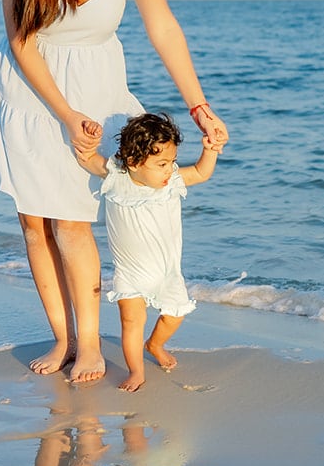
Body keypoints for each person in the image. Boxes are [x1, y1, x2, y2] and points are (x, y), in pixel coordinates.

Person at [0, 0, 229, 384]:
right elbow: (21, 43)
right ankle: (63, 338)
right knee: (35, 222)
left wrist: (198, 105)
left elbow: (163, 28)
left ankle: (89, 345)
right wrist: (64, 113)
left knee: (75, 219)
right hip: (31, 91)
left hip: (98, 90)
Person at [74, 113, 221, 393]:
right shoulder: (116, 175)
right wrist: (88, 140)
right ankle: (136, 371)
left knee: (174, 315)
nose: (169, 169)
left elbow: (202, 173)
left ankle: (154, 344)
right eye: (162, 164)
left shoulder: (172, 181)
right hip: (130, 273)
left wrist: (210, 149)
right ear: (133, 162)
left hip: (167, 272)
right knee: (131, 321)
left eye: (172, 161)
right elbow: (88, 159)